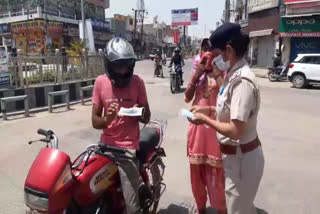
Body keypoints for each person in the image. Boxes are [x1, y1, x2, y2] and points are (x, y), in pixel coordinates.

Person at [190, 23, 265, 214]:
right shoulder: (233, 74)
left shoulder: (242, 82)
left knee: (237, 210)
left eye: (217, 54)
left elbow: (236, 130)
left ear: (229, 50)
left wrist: (205, 120)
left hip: (242, 159)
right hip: (235, 158)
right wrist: (208, 110)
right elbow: (229, 110)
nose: (215, 59)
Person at [92, 37, 151, 214]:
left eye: (126, 66)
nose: (123, 71)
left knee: (132, 208)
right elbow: (95, 121)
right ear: (109, 65)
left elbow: (147, 116)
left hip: (127, 150)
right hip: (105, 148)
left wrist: (139, 110)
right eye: (118, 66)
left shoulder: (138, 82)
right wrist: (107, 119)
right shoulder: (100, 82)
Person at [185, 38, 227, 214]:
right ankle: (201, 208)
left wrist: (216, 71)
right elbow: (187, 97)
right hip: (197, 133)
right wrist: (197, 74)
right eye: (204, 50)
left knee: (218, 180)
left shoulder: (224, 72)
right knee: (197, 178)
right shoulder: (198, 72)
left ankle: (222, 210)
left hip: (215, 132)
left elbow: (228, 99)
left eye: (211, 51)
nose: (207, 54)